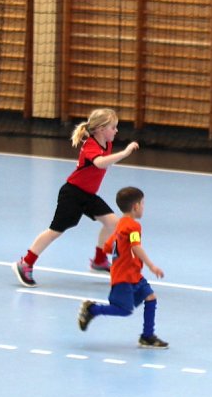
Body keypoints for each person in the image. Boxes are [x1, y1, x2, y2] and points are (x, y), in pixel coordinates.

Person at [14, 108, 139, 287]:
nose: (116, 131)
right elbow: (100, 162)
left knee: (113, 223)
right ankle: (25, 263)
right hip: (72, 194)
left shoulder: (106, 143)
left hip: (87, 195)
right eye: (113, 127)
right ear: (101, 129)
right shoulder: (90, 145)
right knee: (54, 232)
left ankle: (99, 260)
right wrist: (125, 153)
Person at [77, 186, 168, 348]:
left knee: (151, 297)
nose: (144, 207)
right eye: (143, 204)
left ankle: (147, 336)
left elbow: (110, 242)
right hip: (124, 276)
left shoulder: (121, 223)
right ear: (136, 207)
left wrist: (106, 250)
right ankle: (92, 309)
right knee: (124, 310)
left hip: (133, 273)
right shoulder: (134, 227)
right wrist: (152, 266)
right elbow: (135, 246)